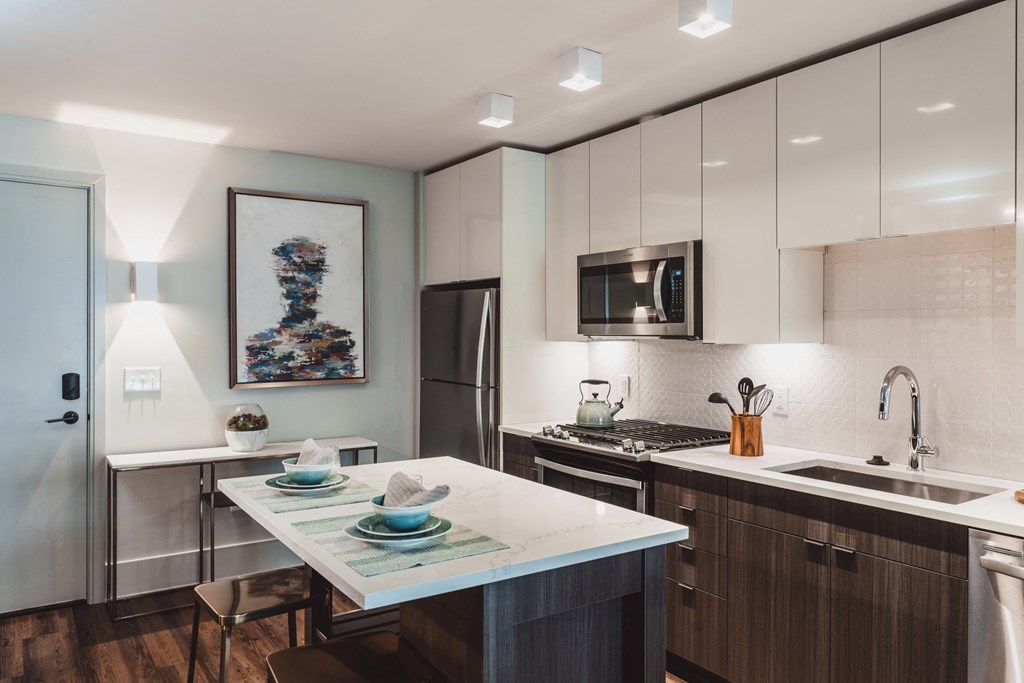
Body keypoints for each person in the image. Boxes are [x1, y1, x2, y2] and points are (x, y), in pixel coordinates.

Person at [244, 236, 359, 381]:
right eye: (291, 276)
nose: (301, 280)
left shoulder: (340, 342)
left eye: (311, 270)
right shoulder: (260, 345)